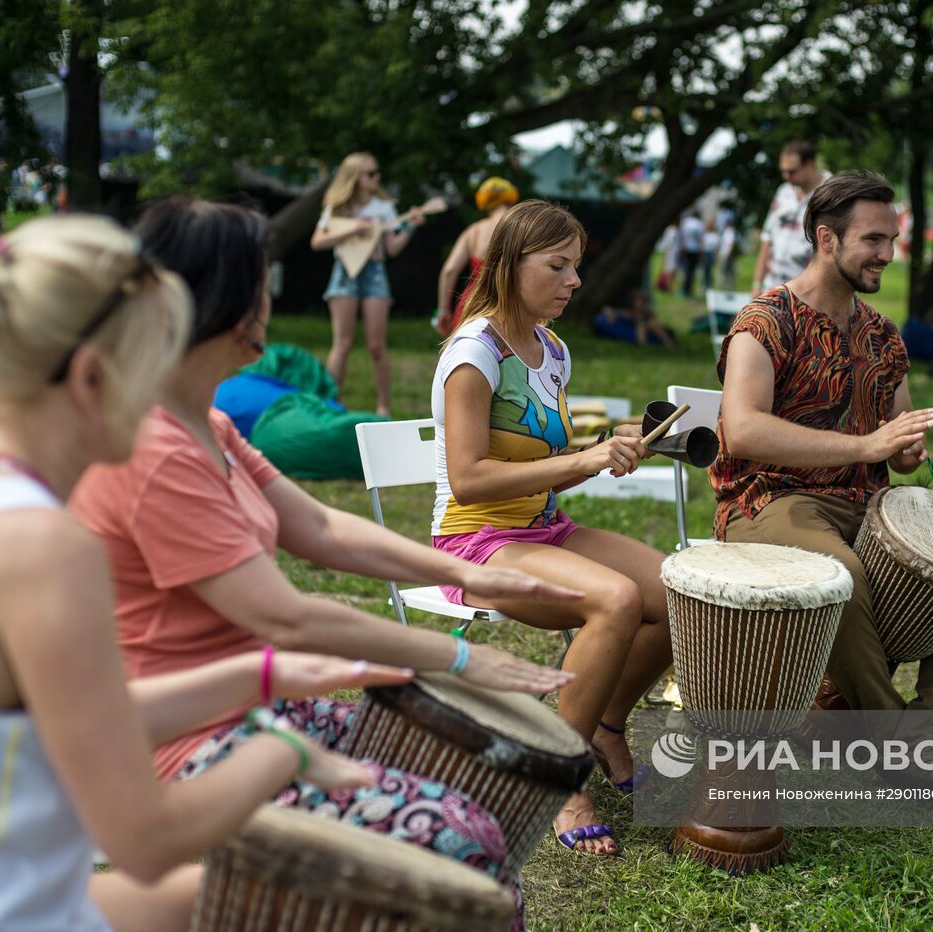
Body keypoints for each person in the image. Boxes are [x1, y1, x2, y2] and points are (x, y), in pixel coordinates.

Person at [69, 200, 577, 919]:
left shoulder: (205, 422)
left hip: (258, 708)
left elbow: (319, 527)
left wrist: (463, 572)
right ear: (230, 300)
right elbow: (285, 615)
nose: (273, 295)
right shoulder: (153, 450)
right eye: (263, 280)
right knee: (463, 840)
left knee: (477, 815)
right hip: (186, 745)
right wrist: (459, 659)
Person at [0, 215, 415, 929]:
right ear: (96, 377)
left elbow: (65, 723)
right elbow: (146, 840)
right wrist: (283, 752)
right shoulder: (41, 548)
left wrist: (256, 679)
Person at [714, 171, 933, 813]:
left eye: (892, 239)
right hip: (768, 504)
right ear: (825, 239)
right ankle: (899, 749)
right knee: (837, 573)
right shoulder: (765, 320)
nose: (887, 254)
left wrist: (901, 448)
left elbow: (891, 445)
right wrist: (863, 447)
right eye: (873, 239)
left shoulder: (881, 335)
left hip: (865, 511)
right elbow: (743, 429)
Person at [432, 200, 674, 855]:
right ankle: (558, 778)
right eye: (557, 266)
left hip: (544, 530)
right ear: (511, 266)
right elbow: (469, 479)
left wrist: (606, 444)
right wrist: (586, 459)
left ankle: (604, 728)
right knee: (616, 600)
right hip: (477, 543)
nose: (574, 281)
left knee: (679, 593)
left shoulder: (552, 349)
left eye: (576, 267)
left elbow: (547, 459)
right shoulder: (474, 353)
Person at [310, 151, 428, 418]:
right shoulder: (338, 208)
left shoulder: (384, 208)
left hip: (375, 272)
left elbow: (392, 248)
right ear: (355, 177)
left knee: (376, 346)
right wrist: (354, 229)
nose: (377, 177)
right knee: (342, 343)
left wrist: (409, 227)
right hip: (345, 272)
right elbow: (317, 241)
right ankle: (331, 404)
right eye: (370, 173)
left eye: (377, 173)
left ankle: (384, 408)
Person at [434, 176, 519, 337]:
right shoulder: (521, 228)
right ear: (511, 198)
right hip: (510, 302)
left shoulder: (474, 231)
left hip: (474, 303)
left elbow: (449, 270)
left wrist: (442, 310)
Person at [752, 140, 830, 295]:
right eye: (783, 171)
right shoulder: (783, 192)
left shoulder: (831, 193)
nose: (786, 176)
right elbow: (767, 239)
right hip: (772, 287)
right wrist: (757, 284)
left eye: (792, 171)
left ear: (809, 164)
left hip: (808, 292)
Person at [594, 288, 676, 347]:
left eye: (642, 301)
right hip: (635, 332)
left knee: (649, 324)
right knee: (642, 325)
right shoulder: (629, 313)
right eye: (637, 301)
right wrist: (610, 314)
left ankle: (668, 343)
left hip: (646, 330)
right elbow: (608, 310)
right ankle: (644, 345)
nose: (639, 304)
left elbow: (655, 323)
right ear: (632, 302)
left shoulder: (647, 313)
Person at [678, 210, 706, 297]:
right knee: (691, 271)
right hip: (695, 250)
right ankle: (687, 290)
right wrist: (701, 252)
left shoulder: (686, 222)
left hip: (686, 248)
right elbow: (700, 239)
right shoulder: (699, 224)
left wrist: (682, 248)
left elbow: (682, 236)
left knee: (686, 270)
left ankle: (685, 289)